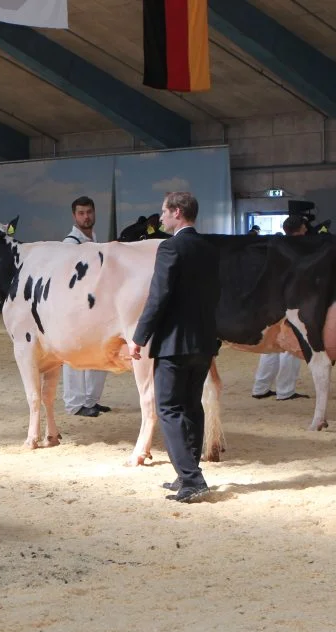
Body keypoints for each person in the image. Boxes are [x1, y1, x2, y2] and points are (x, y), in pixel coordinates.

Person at [130, 191, 220, 504]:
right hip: (204, 341)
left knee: (168, 408)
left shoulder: (170, 247)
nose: (162, 217)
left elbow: (159, 296)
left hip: (174, 344)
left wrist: (139, 336)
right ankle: (186, 473)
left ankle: (193, 480)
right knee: (192, 406)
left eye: (165, 212)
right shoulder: (209, 249)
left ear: (177, 212)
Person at [60, 196, 110, 417]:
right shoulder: (70, 244)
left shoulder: (96, 240)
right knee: (75, 354)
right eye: (81, 213)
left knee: (98, 352)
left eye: (89, 212)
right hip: (77, 307)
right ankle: (74, 403)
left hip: (97, 305)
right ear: (74, 216)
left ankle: (91, 399)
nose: (86, 216)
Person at [251, 215, 308, 402]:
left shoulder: (275, 246)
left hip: (270, 300)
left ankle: (261, 387)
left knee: (271, 344)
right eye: (304, 227)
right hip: (291, 300)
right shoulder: (300, 249)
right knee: (291, 344)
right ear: (300, 229)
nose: (307, 230)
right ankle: (285, 390)